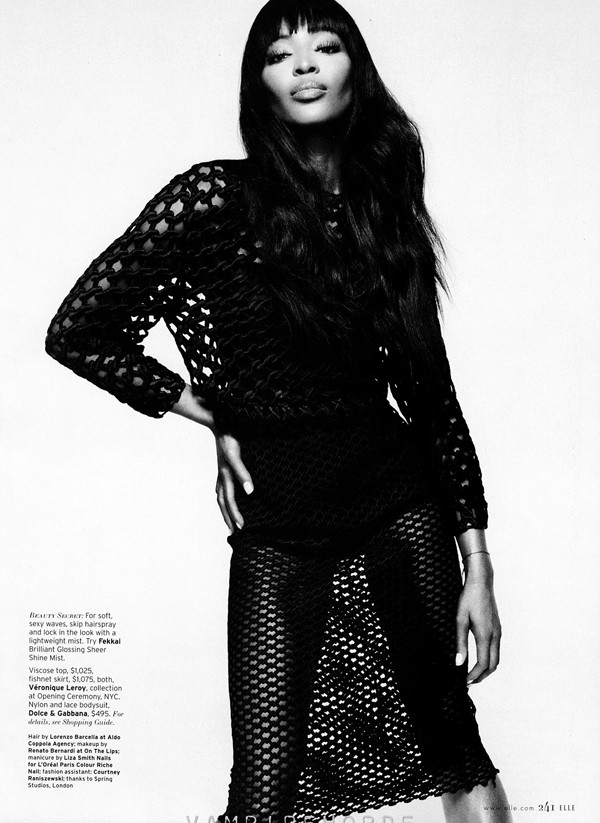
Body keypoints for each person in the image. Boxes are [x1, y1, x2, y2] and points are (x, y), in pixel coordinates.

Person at [45, 1, 513, 821]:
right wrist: (214, 415)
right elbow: (79, 331)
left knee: (454, 746)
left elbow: (432, 398)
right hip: (280, 522)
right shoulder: (211, 199)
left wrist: (479, 564)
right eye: (278, 53)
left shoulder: (382, 210)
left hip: (397, 506)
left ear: (355, 70)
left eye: (325, 47)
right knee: (262, 795)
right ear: (257, 82)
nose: (303, 65)